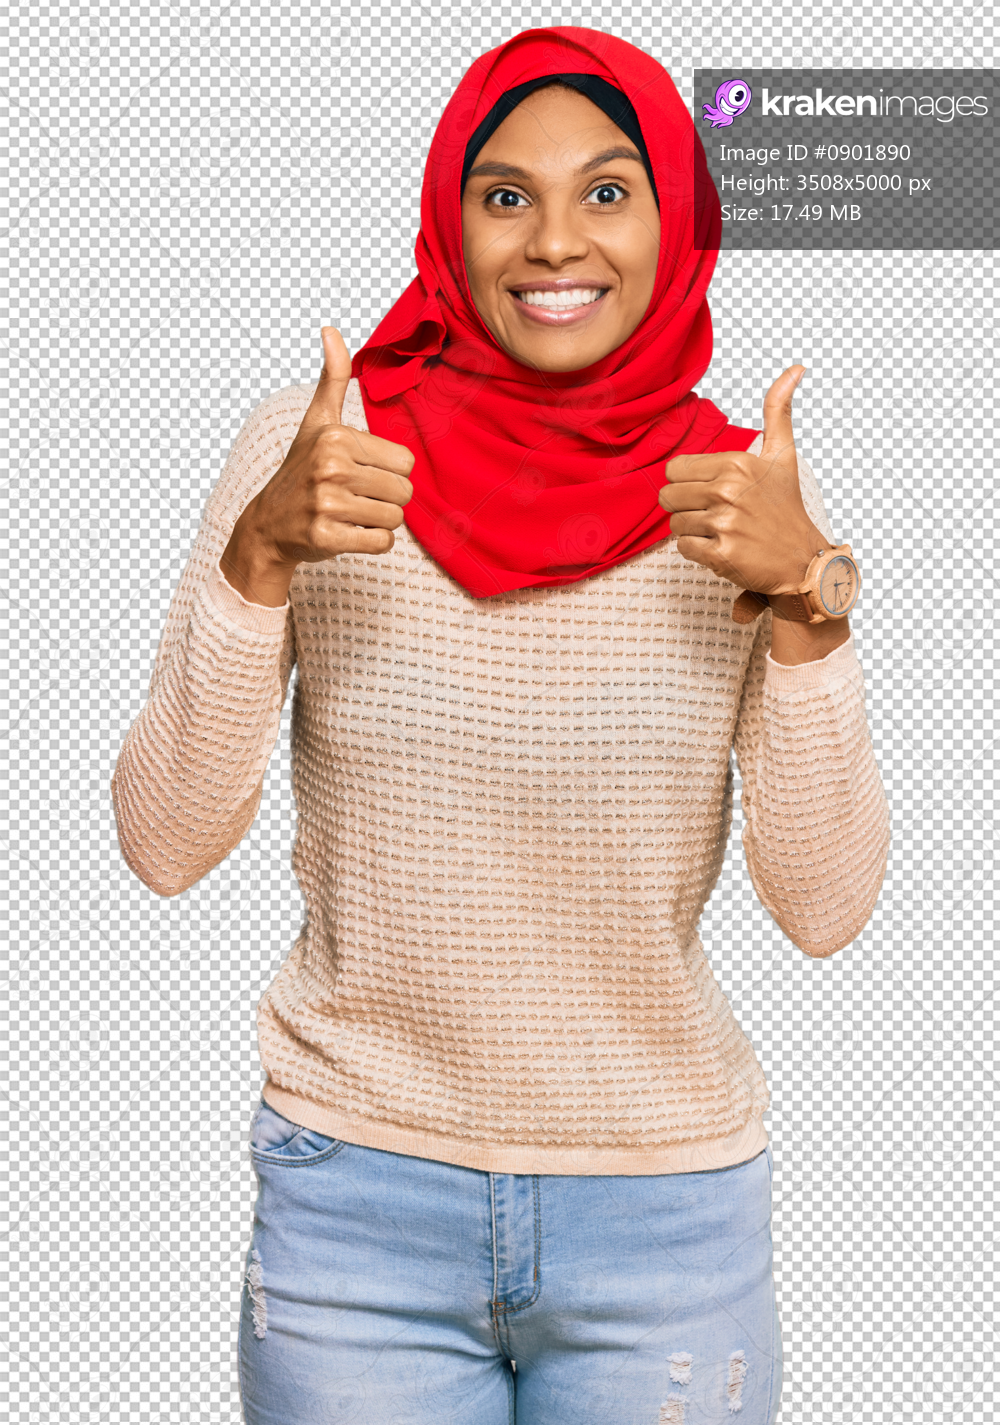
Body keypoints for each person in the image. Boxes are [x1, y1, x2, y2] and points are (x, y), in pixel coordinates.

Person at [111, 26, 890, 1425]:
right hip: (357, 1204)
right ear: (450, 220)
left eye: (607, 191)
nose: (553, 242)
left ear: (674, 225)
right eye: (504, 194)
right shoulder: (322, 450)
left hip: (665, 1223)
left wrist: (810, 608)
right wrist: (256, 562)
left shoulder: (733, 494)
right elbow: (163, 843)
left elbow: (826, 908)